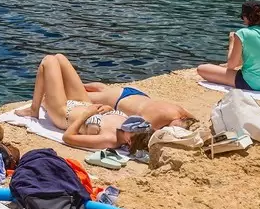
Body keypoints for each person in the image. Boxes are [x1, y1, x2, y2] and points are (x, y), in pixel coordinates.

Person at [16, 53, 192, 148]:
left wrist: (86, 114)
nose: (133, 124)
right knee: (60, 58)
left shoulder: (109, 139)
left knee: (48, 61)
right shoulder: (130, 125)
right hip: (85, 104)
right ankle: (42, 104)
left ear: (129, 141)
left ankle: (34, 110)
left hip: (64, 113)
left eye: (134, 129)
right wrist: (107, 108)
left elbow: (68, 138)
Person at [195, 0, 260, 92]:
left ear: (245, 17)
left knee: (202, 69)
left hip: (252, 83)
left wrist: (232, 42)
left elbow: (231, 65)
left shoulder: (242, 34)